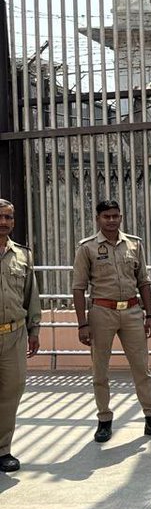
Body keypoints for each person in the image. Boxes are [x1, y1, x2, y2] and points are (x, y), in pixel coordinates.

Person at [72, 200, 151, 442]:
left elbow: (144, 281)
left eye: (115, 216)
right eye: (106, 216)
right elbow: (78, 288)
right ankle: (104, 419)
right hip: (101, 313)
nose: (112, 220)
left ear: (121, 217)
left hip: (132, 312)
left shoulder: (134, 245)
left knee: (141, 368)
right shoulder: (87, 248)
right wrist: (82, 323)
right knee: (100, 370)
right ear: (98, 219)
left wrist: (150, 315)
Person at [0, 200, 41, 473]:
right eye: (0, 217)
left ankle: (3, 450)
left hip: (13, 335)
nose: (4, 222)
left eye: (9, 217)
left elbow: (31, 295)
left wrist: (33, 330)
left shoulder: (23, 255)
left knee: (11, 392)